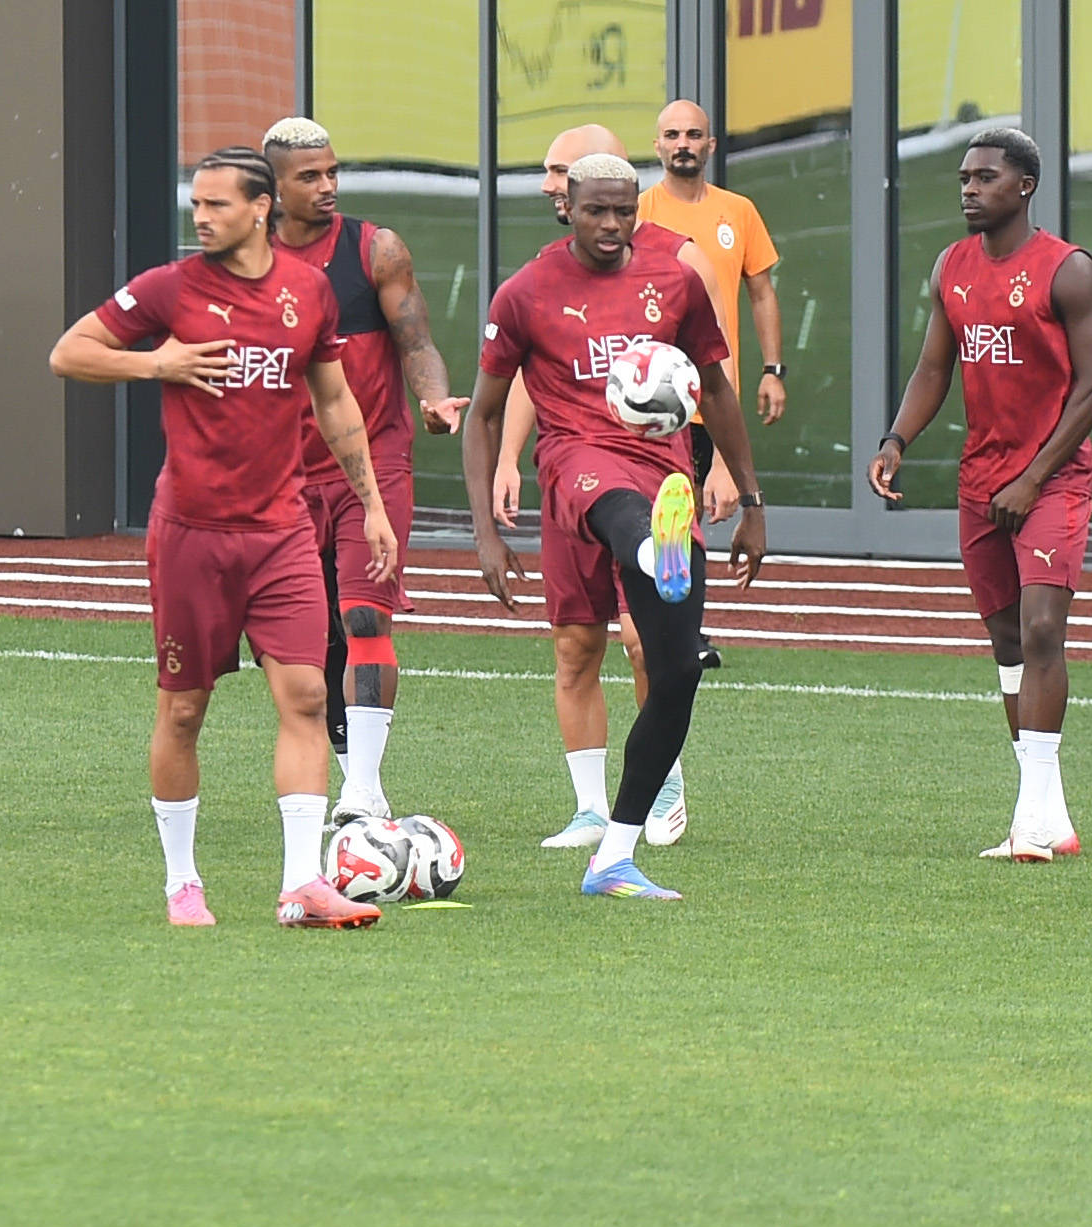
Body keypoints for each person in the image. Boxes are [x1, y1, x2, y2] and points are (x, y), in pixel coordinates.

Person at [48, 147, 398, 927]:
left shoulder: (308, 292)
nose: (200, 217)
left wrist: (371, 503)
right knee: (183, 711)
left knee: (308, 695)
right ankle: (182, 882)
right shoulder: (170, 288)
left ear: (261, 208)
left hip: (281, 530)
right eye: (196, 204)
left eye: (216, 204)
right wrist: (158, 364)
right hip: (191, 537)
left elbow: (335, 402)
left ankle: (302, 884)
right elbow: (69, 353)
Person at [464, 153, 767, 899]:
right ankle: (652, 548)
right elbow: (484, 414)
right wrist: (485, 533)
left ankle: (614, 858)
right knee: (615, 509)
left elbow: (717, 389)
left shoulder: (675, 282)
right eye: (595, 210)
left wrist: (752, 501)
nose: (610, 224)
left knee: (677, 674)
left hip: (667, 471)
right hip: (576, 459)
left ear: (639, 209)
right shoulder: (526, 292)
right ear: (566, 207)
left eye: (623, 211)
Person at [866, 127, 1092, 862]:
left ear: (1024, 186)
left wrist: (1033, 477)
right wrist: (896, 440)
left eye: (985, 178)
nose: (970, 190)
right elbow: (933, 369)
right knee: (1007, 642)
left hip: (1051, 478)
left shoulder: (1068, 270)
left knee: (1041, 632)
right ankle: (1049, 815)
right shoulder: (952, 266)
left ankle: (1029, 821)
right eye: (965, 179)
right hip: (981, 479)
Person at [263, 117, 469, 824]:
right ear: (273, 188)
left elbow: (418, 343)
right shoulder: (246, 263)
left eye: (332, 172)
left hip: (372, 464)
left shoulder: (375, 248)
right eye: (309, 176)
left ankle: (361, 790)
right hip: (285, 474)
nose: (327, 186)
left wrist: (433, 398)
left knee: (362, 613)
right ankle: (356, 776)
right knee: (306, 634)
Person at [638, 98, 788, 670]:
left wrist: (773, 369)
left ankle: (683, 632)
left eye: (693, 135)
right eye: (673, 135)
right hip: (654, 398)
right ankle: (657, 627)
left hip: (712, 393)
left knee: (692, 518)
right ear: (657, 145)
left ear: (711, 145)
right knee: (661, 517)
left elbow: (761, 292)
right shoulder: (640, 211)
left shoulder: (738, 212)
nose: (683, 144)